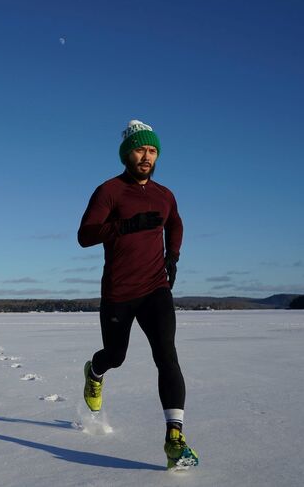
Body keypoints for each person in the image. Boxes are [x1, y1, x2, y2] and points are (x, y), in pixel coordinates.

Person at [77, 119, 199, 470]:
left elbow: (175, 221)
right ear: (126, 153)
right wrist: (124, 226)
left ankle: (174, 437)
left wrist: (172, 256)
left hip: (155, 288)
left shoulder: (164, 195)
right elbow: (85, 235)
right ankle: (95, 372)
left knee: (167, 355)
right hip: (118, 291)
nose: (147, 156)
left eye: (152, 150)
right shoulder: (109, 191)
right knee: (116, 355)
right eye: (140, 149)